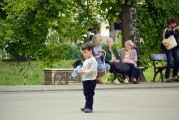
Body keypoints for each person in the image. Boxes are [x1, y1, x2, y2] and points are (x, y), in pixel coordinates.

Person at [79, 42, 98, 113]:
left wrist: (84, 72)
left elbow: (93, 71)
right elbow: (84, 68)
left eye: (85, 52)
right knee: (86, 94)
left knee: (89, 94)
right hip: (85, 79)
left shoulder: (93, 61)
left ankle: (89, 107)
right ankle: (86, 106)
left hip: (91, 80)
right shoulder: (86, 60)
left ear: (91, 51)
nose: (84, 54)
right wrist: (80, 70)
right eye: (83, 52)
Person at [161, 18, 179, 82]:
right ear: (170, 23)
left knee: (177, 61)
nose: (175, 24)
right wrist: (173, 30)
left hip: (174, 47)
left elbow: (177, 34)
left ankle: (174, 76)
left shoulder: (175, 30)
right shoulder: (166, 28)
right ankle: (167, 77)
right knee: (170, 63)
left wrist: (173, 31)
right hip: (168, 48)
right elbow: (167, 34)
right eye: (174, 23)